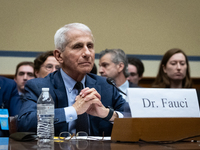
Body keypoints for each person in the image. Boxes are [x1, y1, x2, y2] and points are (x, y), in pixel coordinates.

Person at [17, 23, 127, 136]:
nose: (87, 53)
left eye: (90, 46)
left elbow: (134, 117)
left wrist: (108, 114)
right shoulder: (40, 86)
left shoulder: (105, 85)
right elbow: (25, 123)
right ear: (59, 56)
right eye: (78, 46)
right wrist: (73, 110)